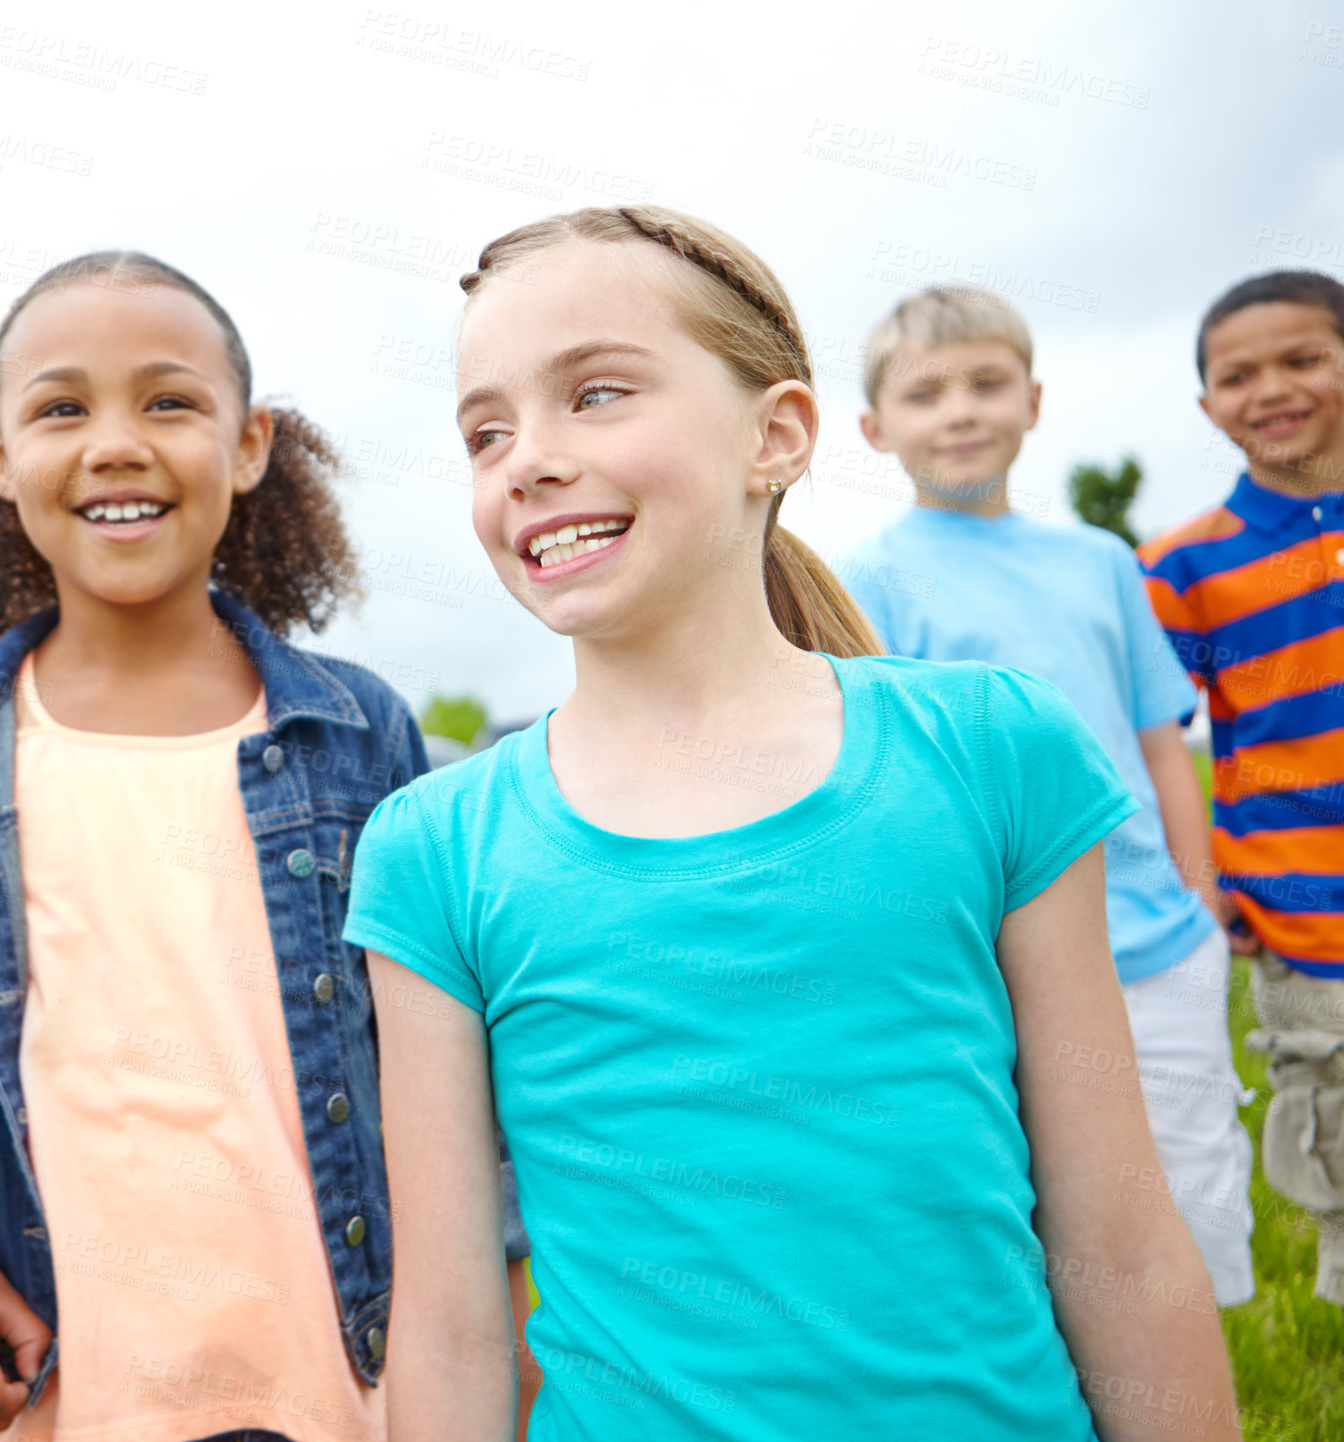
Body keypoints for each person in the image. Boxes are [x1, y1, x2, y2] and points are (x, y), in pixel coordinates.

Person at [342, 205, 1240, 1441]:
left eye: (596, 393)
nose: (526, 459)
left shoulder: (992, 747)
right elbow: (449, 1329)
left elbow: (1122, 1240)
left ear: (778, 434)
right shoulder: (431, 849)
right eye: (485, 429)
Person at [0, 252, 531, 1442]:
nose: (117, 441)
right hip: (59, 1390)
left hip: (343, 1379)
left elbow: (445, 1057)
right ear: (2, 456)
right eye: (63, 407)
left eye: (169, 400)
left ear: (253, 441)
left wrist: (498, 1317)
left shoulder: (355, 727)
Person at [840, 286, 1255, 1307]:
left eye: (986, 383)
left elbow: (1161, 740)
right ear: (873, 427)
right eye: (926, 392)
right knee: (1052, 1213)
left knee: (1193, 1188)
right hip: (1000, 959)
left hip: (1162, 944)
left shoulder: (1101, 562)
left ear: (1033, 400)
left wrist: (1200, 894)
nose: (961, 410)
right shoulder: (869, 580)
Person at [1139, 269, 1344, 1306]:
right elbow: (1147, 743)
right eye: (1237, 374)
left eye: (1304, 358)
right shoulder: (1179, 568)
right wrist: (1204, 882)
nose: (1272, 388)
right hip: (1304, 914)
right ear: (1207, 403)